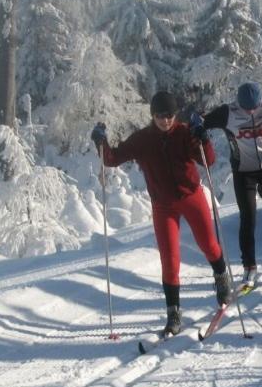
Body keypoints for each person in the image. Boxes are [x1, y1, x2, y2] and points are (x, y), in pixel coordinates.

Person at [91, 90, 230, 337]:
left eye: (170, 115)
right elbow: (112, 159)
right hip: (162, 205)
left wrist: (203, 137)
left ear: (175, 115)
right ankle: (173, 313)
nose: (166, 120)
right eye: (160, 116)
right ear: (152, 115)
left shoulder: (185, 132)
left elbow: (208, 160)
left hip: (191, 197)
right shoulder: (142, 140)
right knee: (169, 259)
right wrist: (100, 142)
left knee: (208, 244)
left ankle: (221, 275)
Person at [192, 82, 262, 289]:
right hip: (244, 172)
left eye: (254, 107)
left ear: (260, 101)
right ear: (238, 103)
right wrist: (197, 125)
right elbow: (201, 122)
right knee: (248, 219)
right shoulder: (228, 112)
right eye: (246, 108)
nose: (251, 111)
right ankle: (249, 268)